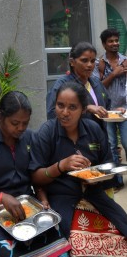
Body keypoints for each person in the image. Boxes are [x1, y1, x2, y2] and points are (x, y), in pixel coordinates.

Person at [0, 91, 71, 257]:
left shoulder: (29, 138)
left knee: (59, 252)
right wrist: (0, 197)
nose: (21, 128)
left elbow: (35, 174)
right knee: (7, 252)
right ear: (0, 117)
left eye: (25, 123)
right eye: (15, 123)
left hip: (26, 207)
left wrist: (42, 197)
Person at [30, 81, 127, 240]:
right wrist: (61, 165)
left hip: (94, 193)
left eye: (72, 107)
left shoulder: (93, 130)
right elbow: (35, 177)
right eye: (60, 105)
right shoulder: (47, 133)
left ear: (83, 109)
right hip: (61, 196)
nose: (65, 112)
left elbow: (108, 166)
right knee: (68, 239)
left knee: (123, 225)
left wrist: (95, 179)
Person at [46, 41, 110, 133]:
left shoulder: (96, 83)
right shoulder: (62, 85)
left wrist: (116, 111)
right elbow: (52, 114)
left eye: (92, 61)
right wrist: (86, 108)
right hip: (74, 140)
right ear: (72, 62)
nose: (89, 65)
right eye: (84, 60)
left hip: (98, 138)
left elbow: (106, 105)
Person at [95, 28, 127, 191]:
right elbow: (98, 86)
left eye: (116, 40)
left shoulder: (125, 60)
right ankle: (117, 180)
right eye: (111, 41)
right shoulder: (99, 63)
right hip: (106, 112)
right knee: (112, 145)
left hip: (124, 110)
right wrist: (114, 74)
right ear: (104, 44)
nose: (115, 43)